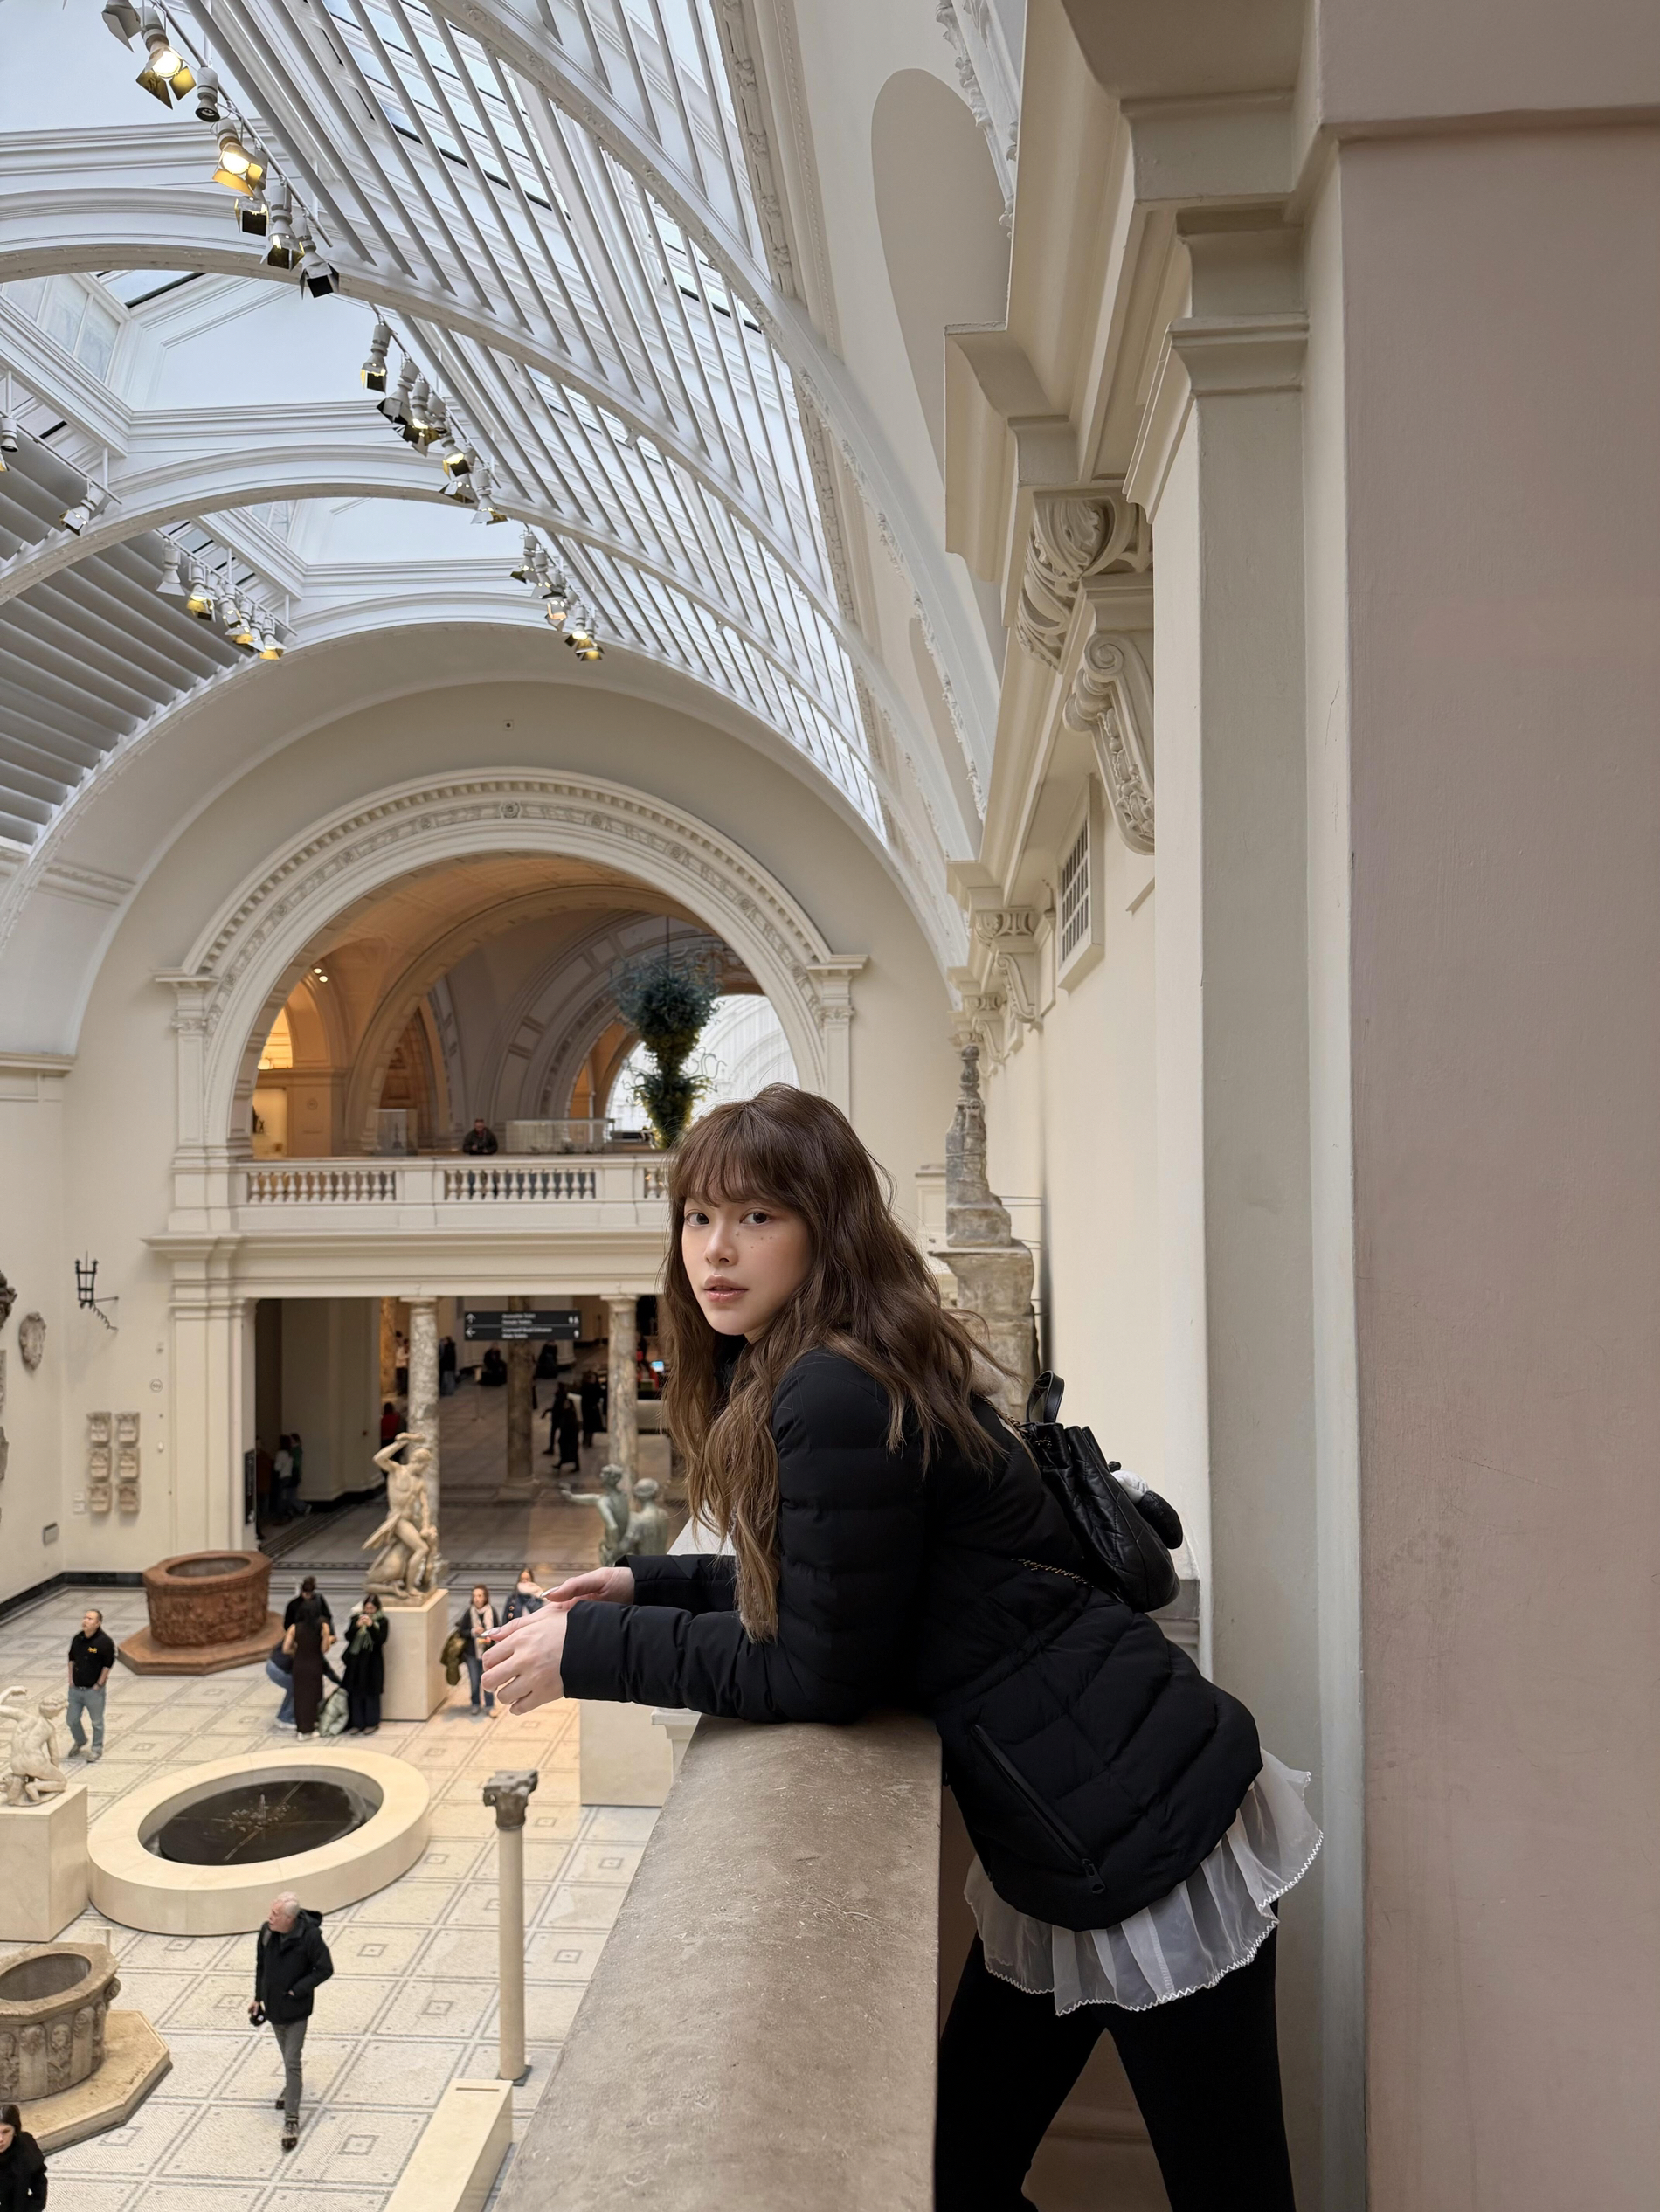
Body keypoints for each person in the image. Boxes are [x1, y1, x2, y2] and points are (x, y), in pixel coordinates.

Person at [481, 1087, 1315, 2212]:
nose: (715, 1251)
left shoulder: (828, 1388)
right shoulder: (843, 1356)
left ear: (822, 1227)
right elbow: (850, 1577)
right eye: (697, 1218)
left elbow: (819, 1670)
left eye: (757, 1217)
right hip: (1079, 1819)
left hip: (1138, 1828)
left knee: (1222, 2192)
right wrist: (645, 1580)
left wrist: (590, 1651)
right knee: (961, 2174)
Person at [249, 1891, 333, 2153]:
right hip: (274, 2008)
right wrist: (258, 1998)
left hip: (296, 2010)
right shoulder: (267, 1932)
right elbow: (261, 1966)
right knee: (286, 2055)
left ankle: (291, 2120)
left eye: (275, 1914)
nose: (269, 1918)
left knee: (292, 2059)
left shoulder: (310, 1937)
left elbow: (325, 1969)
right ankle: (291, 2088)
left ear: (289, 1919)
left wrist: (298, 1990)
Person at [64, 1607, 114, 1764]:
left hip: (93, 1691)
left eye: (90, 1619)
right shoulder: (78, 1639)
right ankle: (80, 1740)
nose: (85, 1621)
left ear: (98, 1623)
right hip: (76, 1689)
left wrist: (99, 1684)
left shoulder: (104, 1642)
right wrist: (71, 1679)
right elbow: (71, 1659)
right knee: (71, 1719)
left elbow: (107, 1664)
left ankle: (96, 1748)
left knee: (97, 1722)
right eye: (85, 1617)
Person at [283, 1591, 332, 1738]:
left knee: (300, 1697)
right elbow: (324, 1649)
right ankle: (310, 1727)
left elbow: (286, 1649)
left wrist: (296, 1650)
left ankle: (301, 1729)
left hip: (299, 1664)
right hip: (314, 1664)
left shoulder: (294, 1628)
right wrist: (327, 1638)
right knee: (313, 1696)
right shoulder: (322, 1627)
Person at [341, 1595, 388, 1732]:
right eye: (367, 1608)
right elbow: (348, 1637)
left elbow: (381, 1640)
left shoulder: (382, 1622)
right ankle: (357, 1722)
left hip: (372, 1662)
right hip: (356, 1662)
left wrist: (371, 1626)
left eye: (372, 1609)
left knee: (371, 1693)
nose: (369, 1611)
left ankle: (372, 1722)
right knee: (355, 1692)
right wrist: (357, 1626)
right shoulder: (356, 1619)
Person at [455, 1585, 497, 1714]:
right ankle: (475, 1703)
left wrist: (490, 1636)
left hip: (487, 1653)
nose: (476, 1599)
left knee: (487, 1680)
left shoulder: (491, 1611)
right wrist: (474, 1631)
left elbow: (498, 1629)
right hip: (472, 1653)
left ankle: (490, 1705)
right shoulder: (469, 1613)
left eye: (479, 1596)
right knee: (474, 1680)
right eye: (474, 1596)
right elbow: (462, 1631)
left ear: (485, 1598)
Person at [0, 2102, 47, 2210]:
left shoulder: (26, 2149)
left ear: (15, 2131)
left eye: (6, 2132)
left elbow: (39, 2185)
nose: (1, 2139)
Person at [579, 1368, 605, 1449]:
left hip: (591, 1408)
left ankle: (588, 1441)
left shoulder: (592, 1386)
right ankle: (587, 1441)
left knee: (590, 1426)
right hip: (589, 1409)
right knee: (589, 1426)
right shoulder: (588, 1387)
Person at [271, 1434, 294, 1520]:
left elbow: (277, 1467)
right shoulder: (289, 1453)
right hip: (289, 1476)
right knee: (287, 1496)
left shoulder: (280, 1454)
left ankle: (281, 1515)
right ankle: (289, 1512)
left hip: (282, 1476)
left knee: (280, 1497)